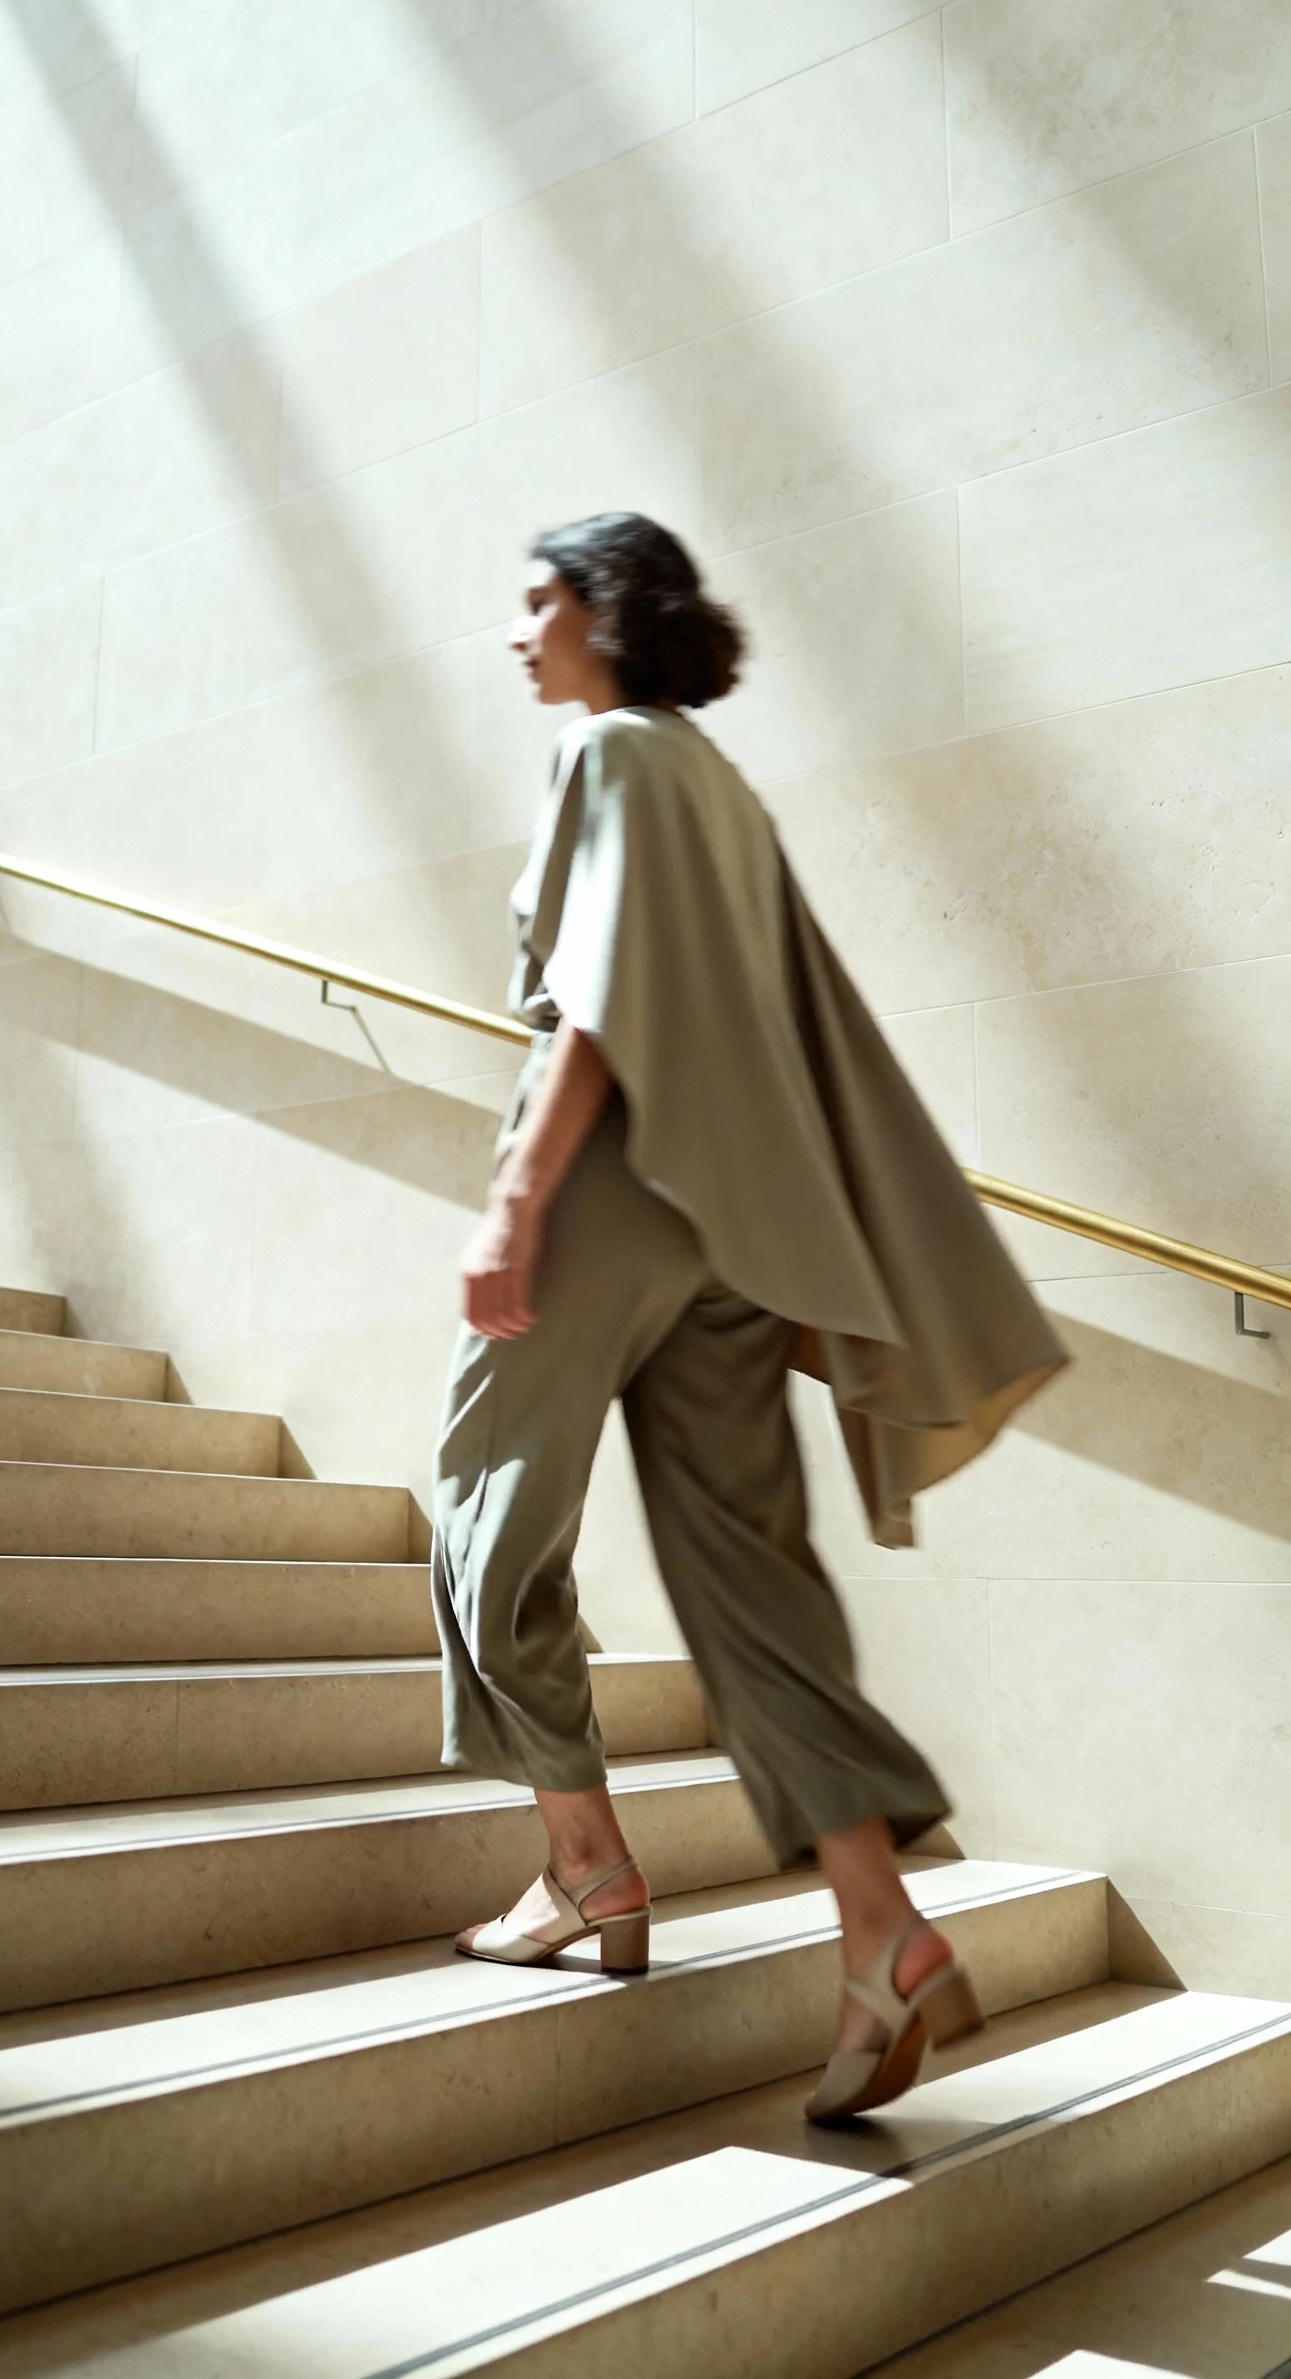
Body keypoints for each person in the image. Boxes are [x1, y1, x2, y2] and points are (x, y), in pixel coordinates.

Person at [432, 513, 1066, 2121]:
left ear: (605, 613)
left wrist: (515, 1202)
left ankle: (582, 1864)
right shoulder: (724, 782)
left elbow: (601, 995)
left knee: (486, 1520)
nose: (520, 634)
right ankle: (884, 1937)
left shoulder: (613, 754)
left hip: (605, 1193)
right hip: (737, 1237)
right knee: (750, 1594)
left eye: (538, 602)